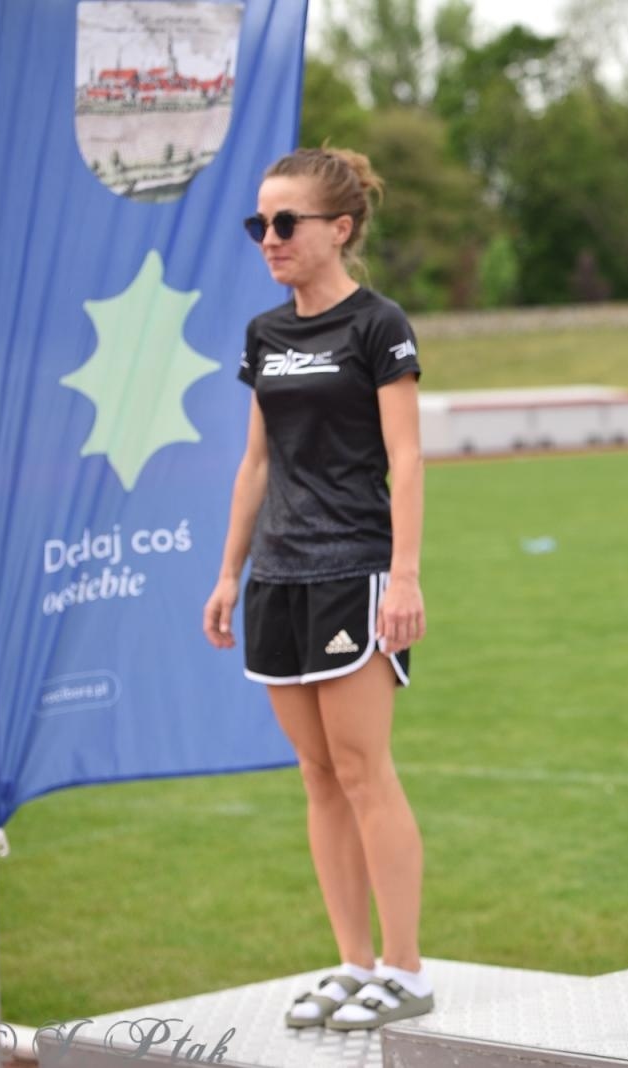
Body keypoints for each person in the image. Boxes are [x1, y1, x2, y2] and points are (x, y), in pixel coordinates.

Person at [203, 147, 434, 1031]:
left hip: (355, 571)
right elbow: (255, 463)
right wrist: (230, 571)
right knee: (317, 775)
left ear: (339, 228)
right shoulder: (264, 335)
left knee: (363, 769)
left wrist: (403, 575)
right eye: (259, 223)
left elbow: (407, 459)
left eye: (286, 222)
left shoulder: (379, 327)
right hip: (280, 577)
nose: (270, 238)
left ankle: (407, 969)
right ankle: (352, 960)